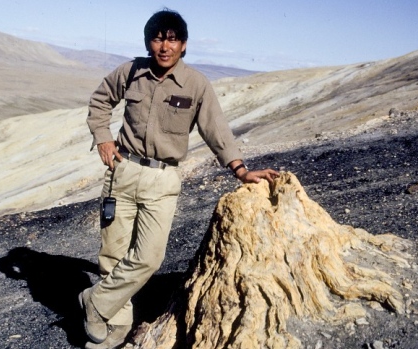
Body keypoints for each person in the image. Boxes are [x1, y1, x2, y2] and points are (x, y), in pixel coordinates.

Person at [81, 8, 279, 348]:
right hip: (122, 172)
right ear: (148, 42)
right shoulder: (130, 72)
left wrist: (240, 170)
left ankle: (94, 302)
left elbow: (216, 129)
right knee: (113, 256)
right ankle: (114, 328)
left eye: (172, 39)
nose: (164, 46)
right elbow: (100, 101)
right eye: (158, 38)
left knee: (148, 258)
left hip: (163, 180)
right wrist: (103, 136)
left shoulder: (196, 84)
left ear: (183, 45)